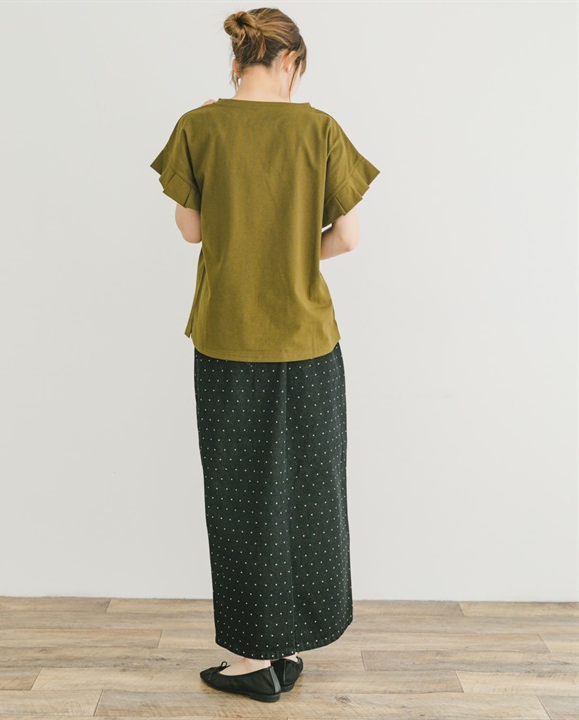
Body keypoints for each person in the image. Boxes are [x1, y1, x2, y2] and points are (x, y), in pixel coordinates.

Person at [150, 7, 380, 704]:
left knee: (239, 496)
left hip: (227, 340)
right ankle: (285, 647)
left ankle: (257, 657)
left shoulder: (199, 127)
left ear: (236, 62)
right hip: (307, 343)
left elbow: (191, 232)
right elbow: (349, 237)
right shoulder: (320, 130)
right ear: (291, 63)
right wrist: (294, 254)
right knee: (307, 493)